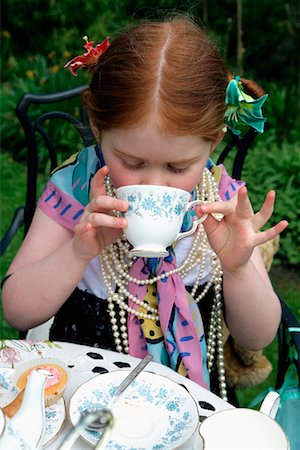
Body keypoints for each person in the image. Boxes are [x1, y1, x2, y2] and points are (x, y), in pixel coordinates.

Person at [2, 16, 288, 400]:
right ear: (98, 128)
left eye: (177, 167)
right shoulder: (73, 190)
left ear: (214, 142)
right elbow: (17, 311)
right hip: (81, 390)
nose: (154, 183)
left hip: (189, 401)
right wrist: (77, 251)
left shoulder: (221, 202)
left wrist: (237, 269)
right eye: (132, 161)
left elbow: (259, 335)